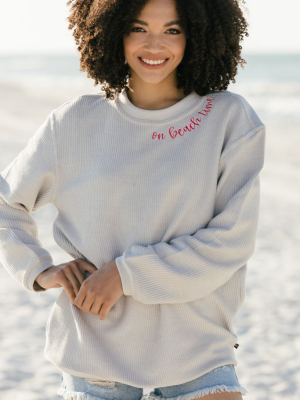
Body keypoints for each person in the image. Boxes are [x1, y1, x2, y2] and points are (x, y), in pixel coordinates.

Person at [0, 0, 266, 399]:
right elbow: (7, 203)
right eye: (138, 28)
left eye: (172, 30)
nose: (155, 45)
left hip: (198, 352)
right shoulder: (73, 122)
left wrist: (126, 274)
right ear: (113, 32)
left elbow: (231, 241)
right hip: (94, 353)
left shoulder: (228, 119)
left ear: (198, 33)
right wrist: (39, 270)